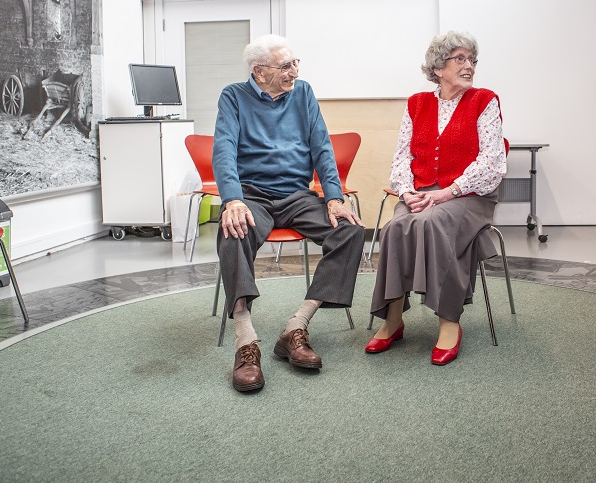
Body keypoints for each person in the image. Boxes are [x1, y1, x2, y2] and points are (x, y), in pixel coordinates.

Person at [212, 34, 365, 393]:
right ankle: (245, 340)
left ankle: (296, 326)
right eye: (285, 66)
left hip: (297, 195)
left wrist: (334, 198)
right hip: (252, 195)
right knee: (233, 229)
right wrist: (232, 199)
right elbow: (224, 150)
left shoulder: (303, 92)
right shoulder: (233, 96)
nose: (294, 70)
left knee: (350, 229)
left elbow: (322, 147)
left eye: (296, 63)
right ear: (259, 71)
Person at [366, 31, 507, 366]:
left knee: (434, 222)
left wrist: (448, 191)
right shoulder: (417, 103)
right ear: (438, 67)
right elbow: (402, 156)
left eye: (472, 59)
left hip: (468, 195)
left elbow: (491, 160)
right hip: (421, 192)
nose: (469, 65)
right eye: (460, 59)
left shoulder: (485, 100)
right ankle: (393, 319)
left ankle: (449, 321)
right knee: (395, 227)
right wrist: (406, 191)